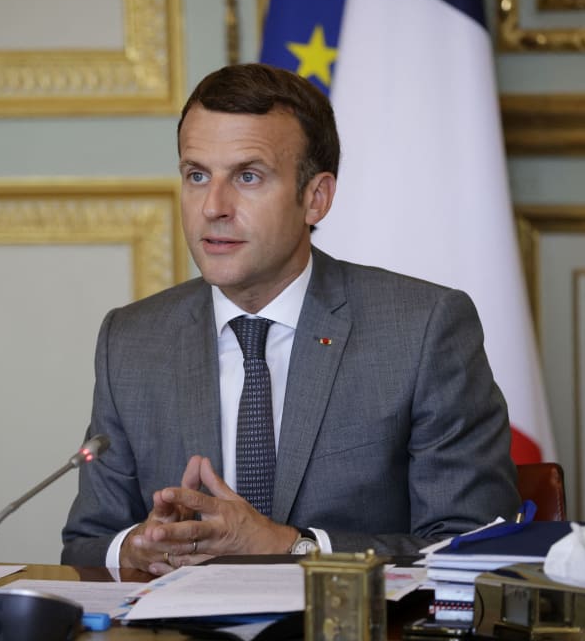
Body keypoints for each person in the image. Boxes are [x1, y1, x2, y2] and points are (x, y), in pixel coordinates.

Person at [61, 63, 519, 575]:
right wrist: (132, 551)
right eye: (196, 175)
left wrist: (292, 546)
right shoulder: (132, 339)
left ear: (315, 198)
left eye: (248, 176)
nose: (213, 206)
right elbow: (86, 544)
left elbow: (474, 546)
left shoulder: (422, 330)